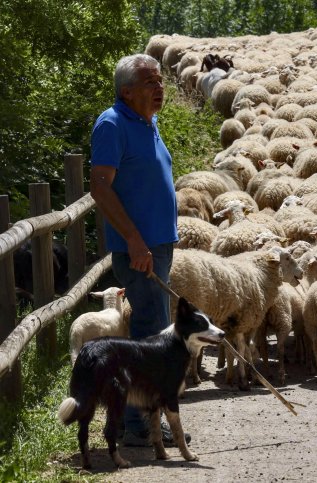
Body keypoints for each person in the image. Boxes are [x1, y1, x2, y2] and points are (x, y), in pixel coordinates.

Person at [90, 53, 187, 447]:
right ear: (127, 92)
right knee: (148, 341)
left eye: (160, 81)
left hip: (157, 246)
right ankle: (136, 426)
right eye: (150, 83)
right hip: (140, 249)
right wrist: (133, 239)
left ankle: (142, 423)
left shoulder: (149, 122)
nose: (160, 88)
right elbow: (100, 186)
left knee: (153, 334)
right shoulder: (112, 124)